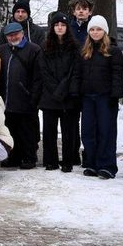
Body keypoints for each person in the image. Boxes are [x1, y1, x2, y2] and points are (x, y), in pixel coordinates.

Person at [74, 15, 123, 179]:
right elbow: (78, 74)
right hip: (87, 97)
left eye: (99, 29)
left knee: (106, 131)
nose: (95, 32)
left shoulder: (113, 51)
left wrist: (115, 95)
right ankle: (92, 163)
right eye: (93, 29)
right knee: (88, 131)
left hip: (105, 97)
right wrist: (77, 92)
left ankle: (107, 165)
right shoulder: (84, 51)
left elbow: (117, 74)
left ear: (105, 31)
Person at [0, 21, 43, 169]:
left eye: (15, 34)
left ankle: (29, 157)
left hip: (26, 98)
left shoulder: (34, 49)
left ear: (22, 33)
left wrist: (34, 97)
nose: (13, 37)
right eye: (9, 35)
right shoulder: (2, 50)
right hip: (7, 98)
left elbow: (38, 76)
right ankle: (13, 157)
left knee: (27, 130)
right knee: (10, 129)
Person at [38, 12, 81, 172]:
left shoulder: (75, 47)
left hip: (69, 95)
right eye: (57, 25)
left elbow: (75, 71)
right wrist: (55, 89)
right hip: (50, 95)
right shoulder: (45, 46)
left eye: (63, 25)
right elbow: (43, 71)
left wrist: (65, 89)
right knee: (49, 130)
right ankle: (51, 161)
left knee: (69, 130)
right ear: (52, 28)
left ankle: (68, 161)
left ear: (67, 27)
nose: (60, 28)